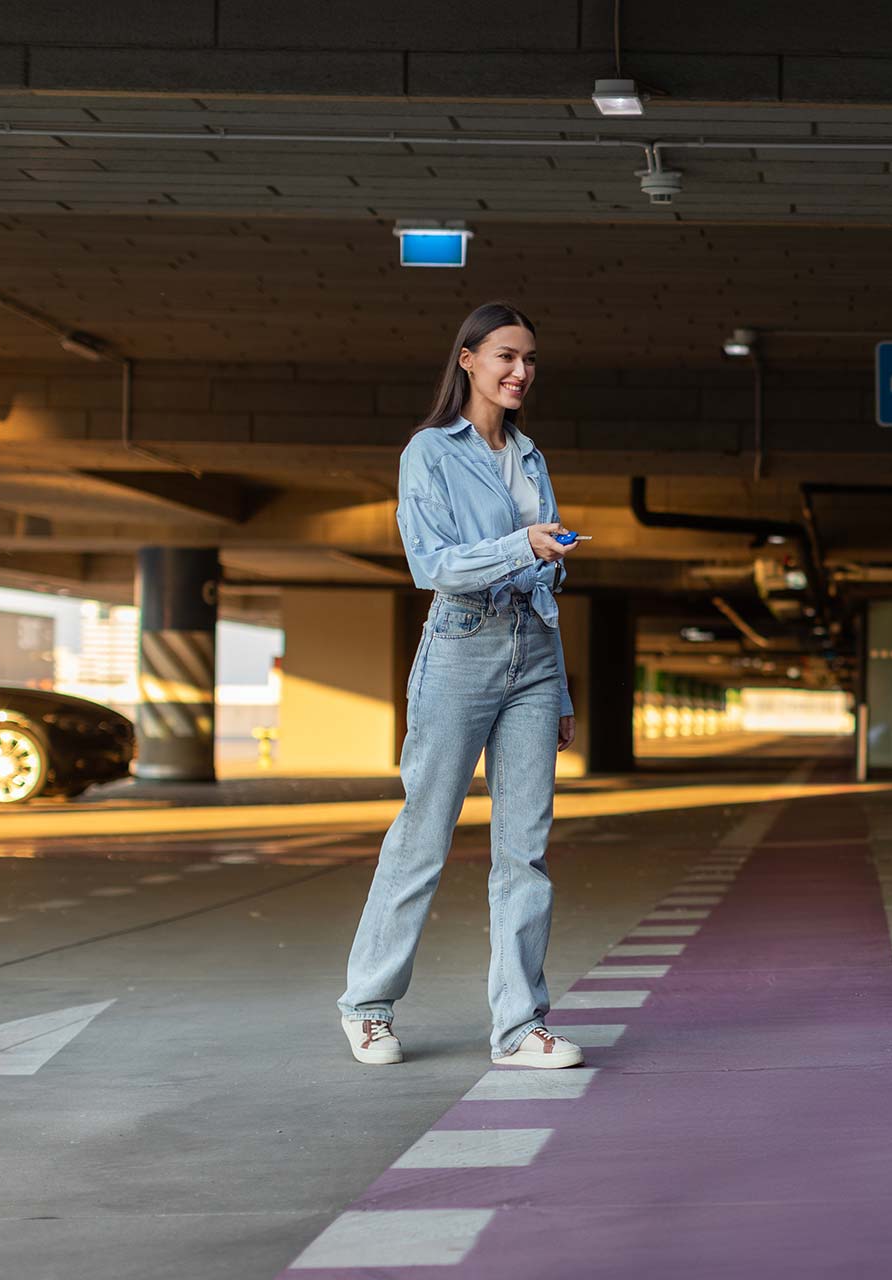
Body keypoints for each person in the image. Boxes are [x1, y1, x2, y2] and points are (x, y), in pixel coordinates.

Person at [337, 301, 584, 1070]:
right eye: (507, 356)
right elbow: (431, 565)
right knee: (424, 833)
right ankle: (368, 1006)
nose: (521, 372)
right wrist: (522, 544)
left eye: (532, 360)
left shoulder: (530, 455)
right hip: (461, 646)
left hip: (534, 653)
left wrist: (563, 689)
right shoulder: (430, 453)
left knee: (526, 850)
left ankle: (518, 1028)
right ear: (468, 360)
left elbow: (541, 577)